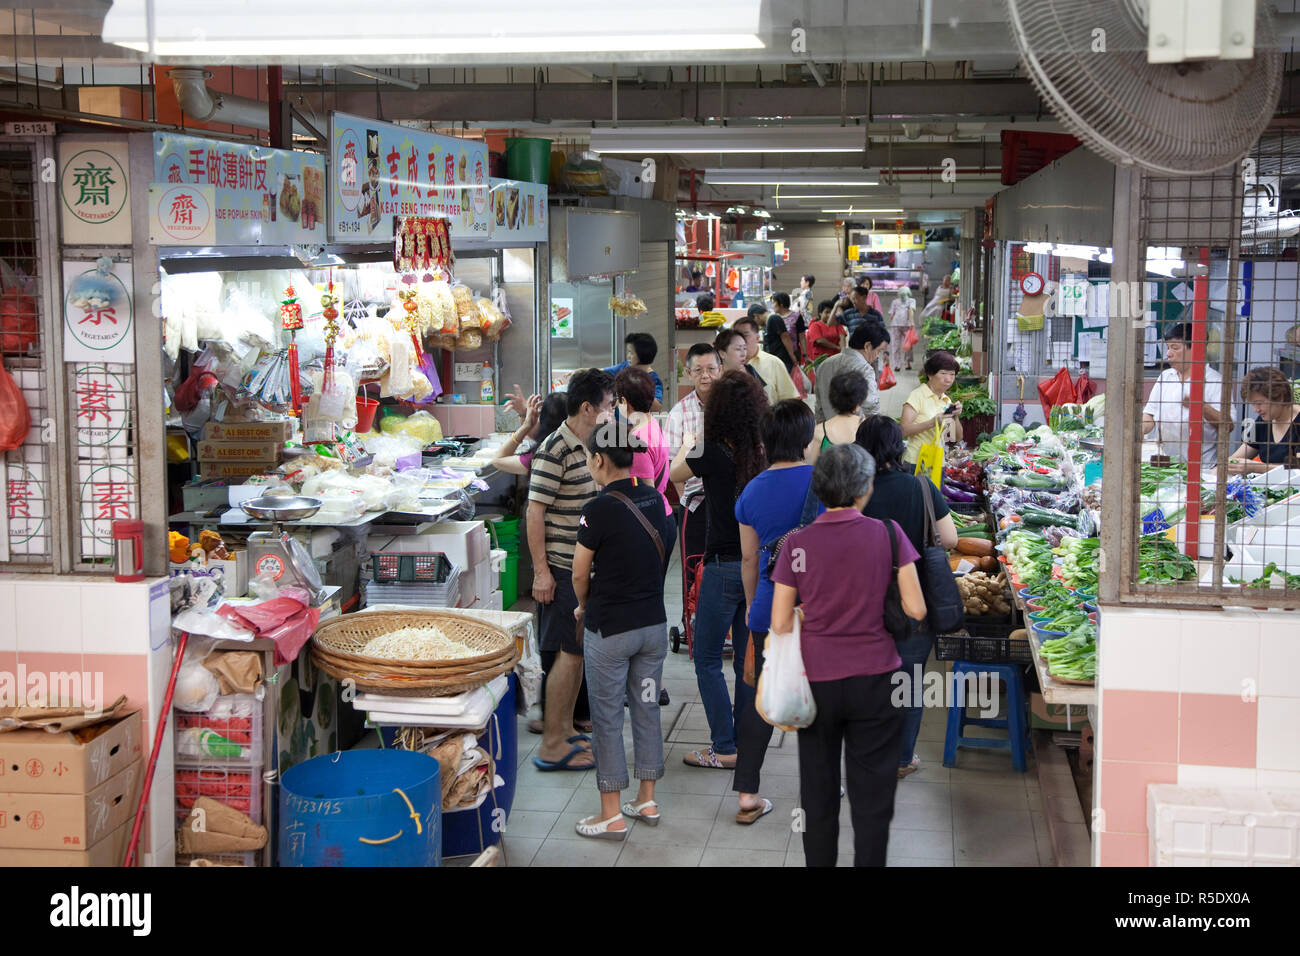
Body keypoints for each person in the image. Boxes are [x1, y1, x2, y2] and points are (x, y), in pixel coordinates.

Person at [770, 443, 926, 867]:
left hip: (816, 684)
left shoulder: (796, 544)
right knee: (872, 799)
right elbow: (916, 609)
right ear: (866, 489)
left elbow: (780, 623)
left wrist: (811, 609)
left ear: (819, 491)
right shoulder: (890, 535)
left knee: (818, 794)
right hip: (878, 682)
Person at [570, 423, 676, 839]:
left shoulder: (598, 508)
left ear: (598, 460)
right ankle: (646, 799)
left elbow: (580, 572)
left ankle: (611, 813)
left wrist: (583, 604)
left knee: (608, 717)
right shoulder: (658, 500)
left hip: (611, 632)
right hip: (652, 627)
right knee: (647, 709)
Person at [669, 370, 769, 770]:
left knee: (707, 656)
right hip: (758, 567)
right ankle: (744, 741)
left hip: (722, 567)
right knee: (748, 656)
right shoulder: (762, 451)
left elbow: (673, 475)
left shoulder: (710, 451)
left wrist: (692, 440)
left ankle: (723, 746)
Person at [733, 399, 821, 824]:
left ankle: (748, 796)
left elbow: (750, 560)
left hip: (770, 608)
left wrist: (753, 604)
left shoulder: (751, 491)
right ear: (806, 439)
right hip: (819, 611)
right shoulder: (827, 484)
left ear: (765, 442)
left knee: (759, 700)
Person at [856, 415, 959, 778]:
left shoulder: (854, 491)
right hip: (912, 599)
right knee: (910, 682)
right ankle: (901, 759)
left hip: (862, 602)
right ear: (898, 447)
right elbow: (949, 540)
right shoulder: (921, 486)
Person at [528, 368, 616, 772]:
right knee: (566, 654)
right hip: (562, 569)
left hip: (580, 568)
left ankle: (563, 730)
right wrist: (542, 572)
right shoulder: (555, 449)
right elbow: (535, 512)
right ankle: (551, 743)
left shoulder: (588, 445)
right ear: (587, 407)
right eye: (608, 406)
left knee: (576, 653)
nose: (611, 413)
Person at [666, 343, 721, 566]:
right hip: (696, 505)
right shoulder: (679, 413)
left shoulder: (734, 406)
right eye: (698, 370)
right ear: (688, 374)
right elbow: (672, 463)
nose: (705, 376)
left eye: (711, 369)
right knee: (694, 570)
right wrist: (686, 501)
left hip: (731, 503)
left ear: (721, 369)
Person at [1142, 322, 1225, 466]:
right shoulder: (1166, 377)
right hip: (1166, 463)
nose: (1168, 353)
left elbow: (1228, 425)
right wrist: (1140, 429)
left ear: (1196, 349)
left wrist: (1201, 406)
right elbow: (1150, 414)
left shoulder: (1215, 381)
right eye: (1168, 348)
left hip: (1201, 467)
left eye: (1175, 348)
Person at [615, 367, 673, 519]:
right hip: (662, 511)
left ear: (624, 402)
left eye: (618, 399)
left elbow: (645, 495)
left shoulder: (638, 440)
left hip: (651, 519)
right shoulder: (652, 423)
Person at [814, 322, 889, 423]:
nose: (877, 356)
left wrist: (822, 431)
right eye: (878, 351)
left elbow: (819, 407)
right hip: (855, 433)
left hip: (828, 431)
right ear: (868, 346)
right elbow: (871, 408)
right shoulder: (865, 369)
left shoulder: (825, 364)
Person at [1228, 367, 1300, 472]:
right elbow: (1238, 457)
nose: (1256, 409)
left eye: (1259, 403)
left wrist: (1256, 467)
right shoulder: (1264, 420)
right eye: (1253, 404)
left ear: (1280, 397)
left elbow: (1297, 470)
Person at [901, 351, 963, 469]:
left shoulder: (946, 400)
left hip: (937, 462)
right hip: (916, 462)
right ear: (930, 374)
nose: (948, 379)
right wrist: (931, 422)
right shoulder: (917, 396)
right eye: (943, 373)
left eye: (952, 374)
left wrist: (955, 416)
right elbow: (903, 431)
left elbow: (956, 438)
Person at [491, 392, 567, 475]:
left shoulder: (544, 457)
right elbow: (538, 435)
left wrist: (526, 425)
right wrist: (524, 416)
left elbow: (497, 460)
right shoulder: (574, 446)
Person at [738, 308, 798, 405]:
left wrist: (792, 355)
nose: (740, 341)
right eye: (736, 336)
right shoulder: (728, 365)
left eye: (745, 336)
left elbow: (790, 401)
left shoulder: (773, 363)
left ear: (757, 338)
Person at [809, 371, 869, 464]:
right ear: (860, 401)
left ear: (832, 398)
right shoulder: (869, 428)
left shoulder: (820, 431)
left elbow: (812, 467)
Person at [604, 332, 663, 411]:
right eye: (628, 352)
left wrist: (639, 387)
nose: (628, 356)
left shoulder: (653, 379)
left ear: (642, 354)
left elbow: (657, 407)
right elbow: (603, 372)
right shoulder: (625, 366)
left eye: (631, 353)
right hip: (618, 421)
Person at [764, 292, 799, 372]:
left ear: (781, 304)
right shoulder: (773, 317)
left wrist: (793, 355)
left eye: (773, 302)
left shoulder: (795, 316)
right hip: (779, 355)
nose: (772, 306)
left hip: (789, 354)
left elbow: (787, 337)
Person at [888, 287, 917, 370]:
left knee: (895, 345)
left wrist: (896, 319)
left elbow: (891, 314)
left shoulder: (895, 301)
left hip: (896, 324)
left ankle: (897, 364)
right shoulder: (912, 300)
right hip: (906, 324)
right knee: (907, 345)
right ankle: (907, 363)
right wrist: (911, 322)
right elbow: (910, 311)